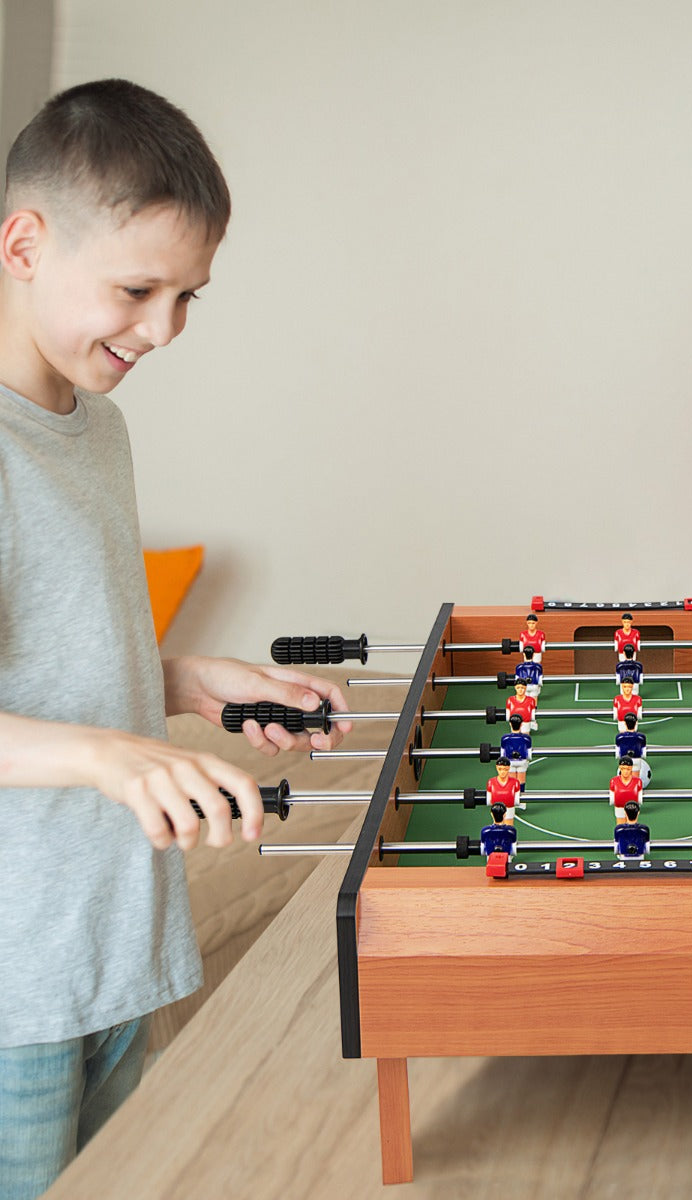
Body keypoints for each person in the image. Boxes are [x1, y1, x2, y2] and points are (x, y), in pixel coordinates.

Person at [0, 80, 351, 1198]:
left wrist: (187, 683)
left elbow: (41, 662)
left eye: (189, 295)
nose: (163, 330)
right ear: (23, 244)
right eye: (138, 289)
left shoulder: (95, 429)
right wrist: (113, 756)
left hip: (109, 947)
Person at [615, 713, 650, 784]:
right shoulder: (641, 737)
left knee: (625, 781)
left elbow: (618, 745)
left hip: (624, 760)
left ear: (625, 723)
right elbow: (643, 745)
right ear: (636, 723)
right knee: (635, 781)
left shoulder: (619, 737)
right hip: (636, 759)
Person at [498, 715, 532, 788]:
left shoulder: (505, 738)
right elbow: (529, 754)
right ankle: (521, 797)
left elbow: (502, 753)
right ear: (522, 724)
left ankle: (513, 797)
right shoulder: (527, 738)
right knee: (521, 781)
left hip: (510, 762)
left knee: (512, 781)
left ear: (510, 724)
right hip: (522, 761)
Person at [608, 756, 643, 820]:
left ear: (632, 768)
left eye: (628, 769)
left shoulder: (638, 781)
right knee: (620, 827)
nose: (625, 771)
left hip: (633, 807)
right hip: (619, 807)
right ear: (619, 768)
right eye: (623, 769)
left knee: (632, 826)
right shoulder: (613, 781)